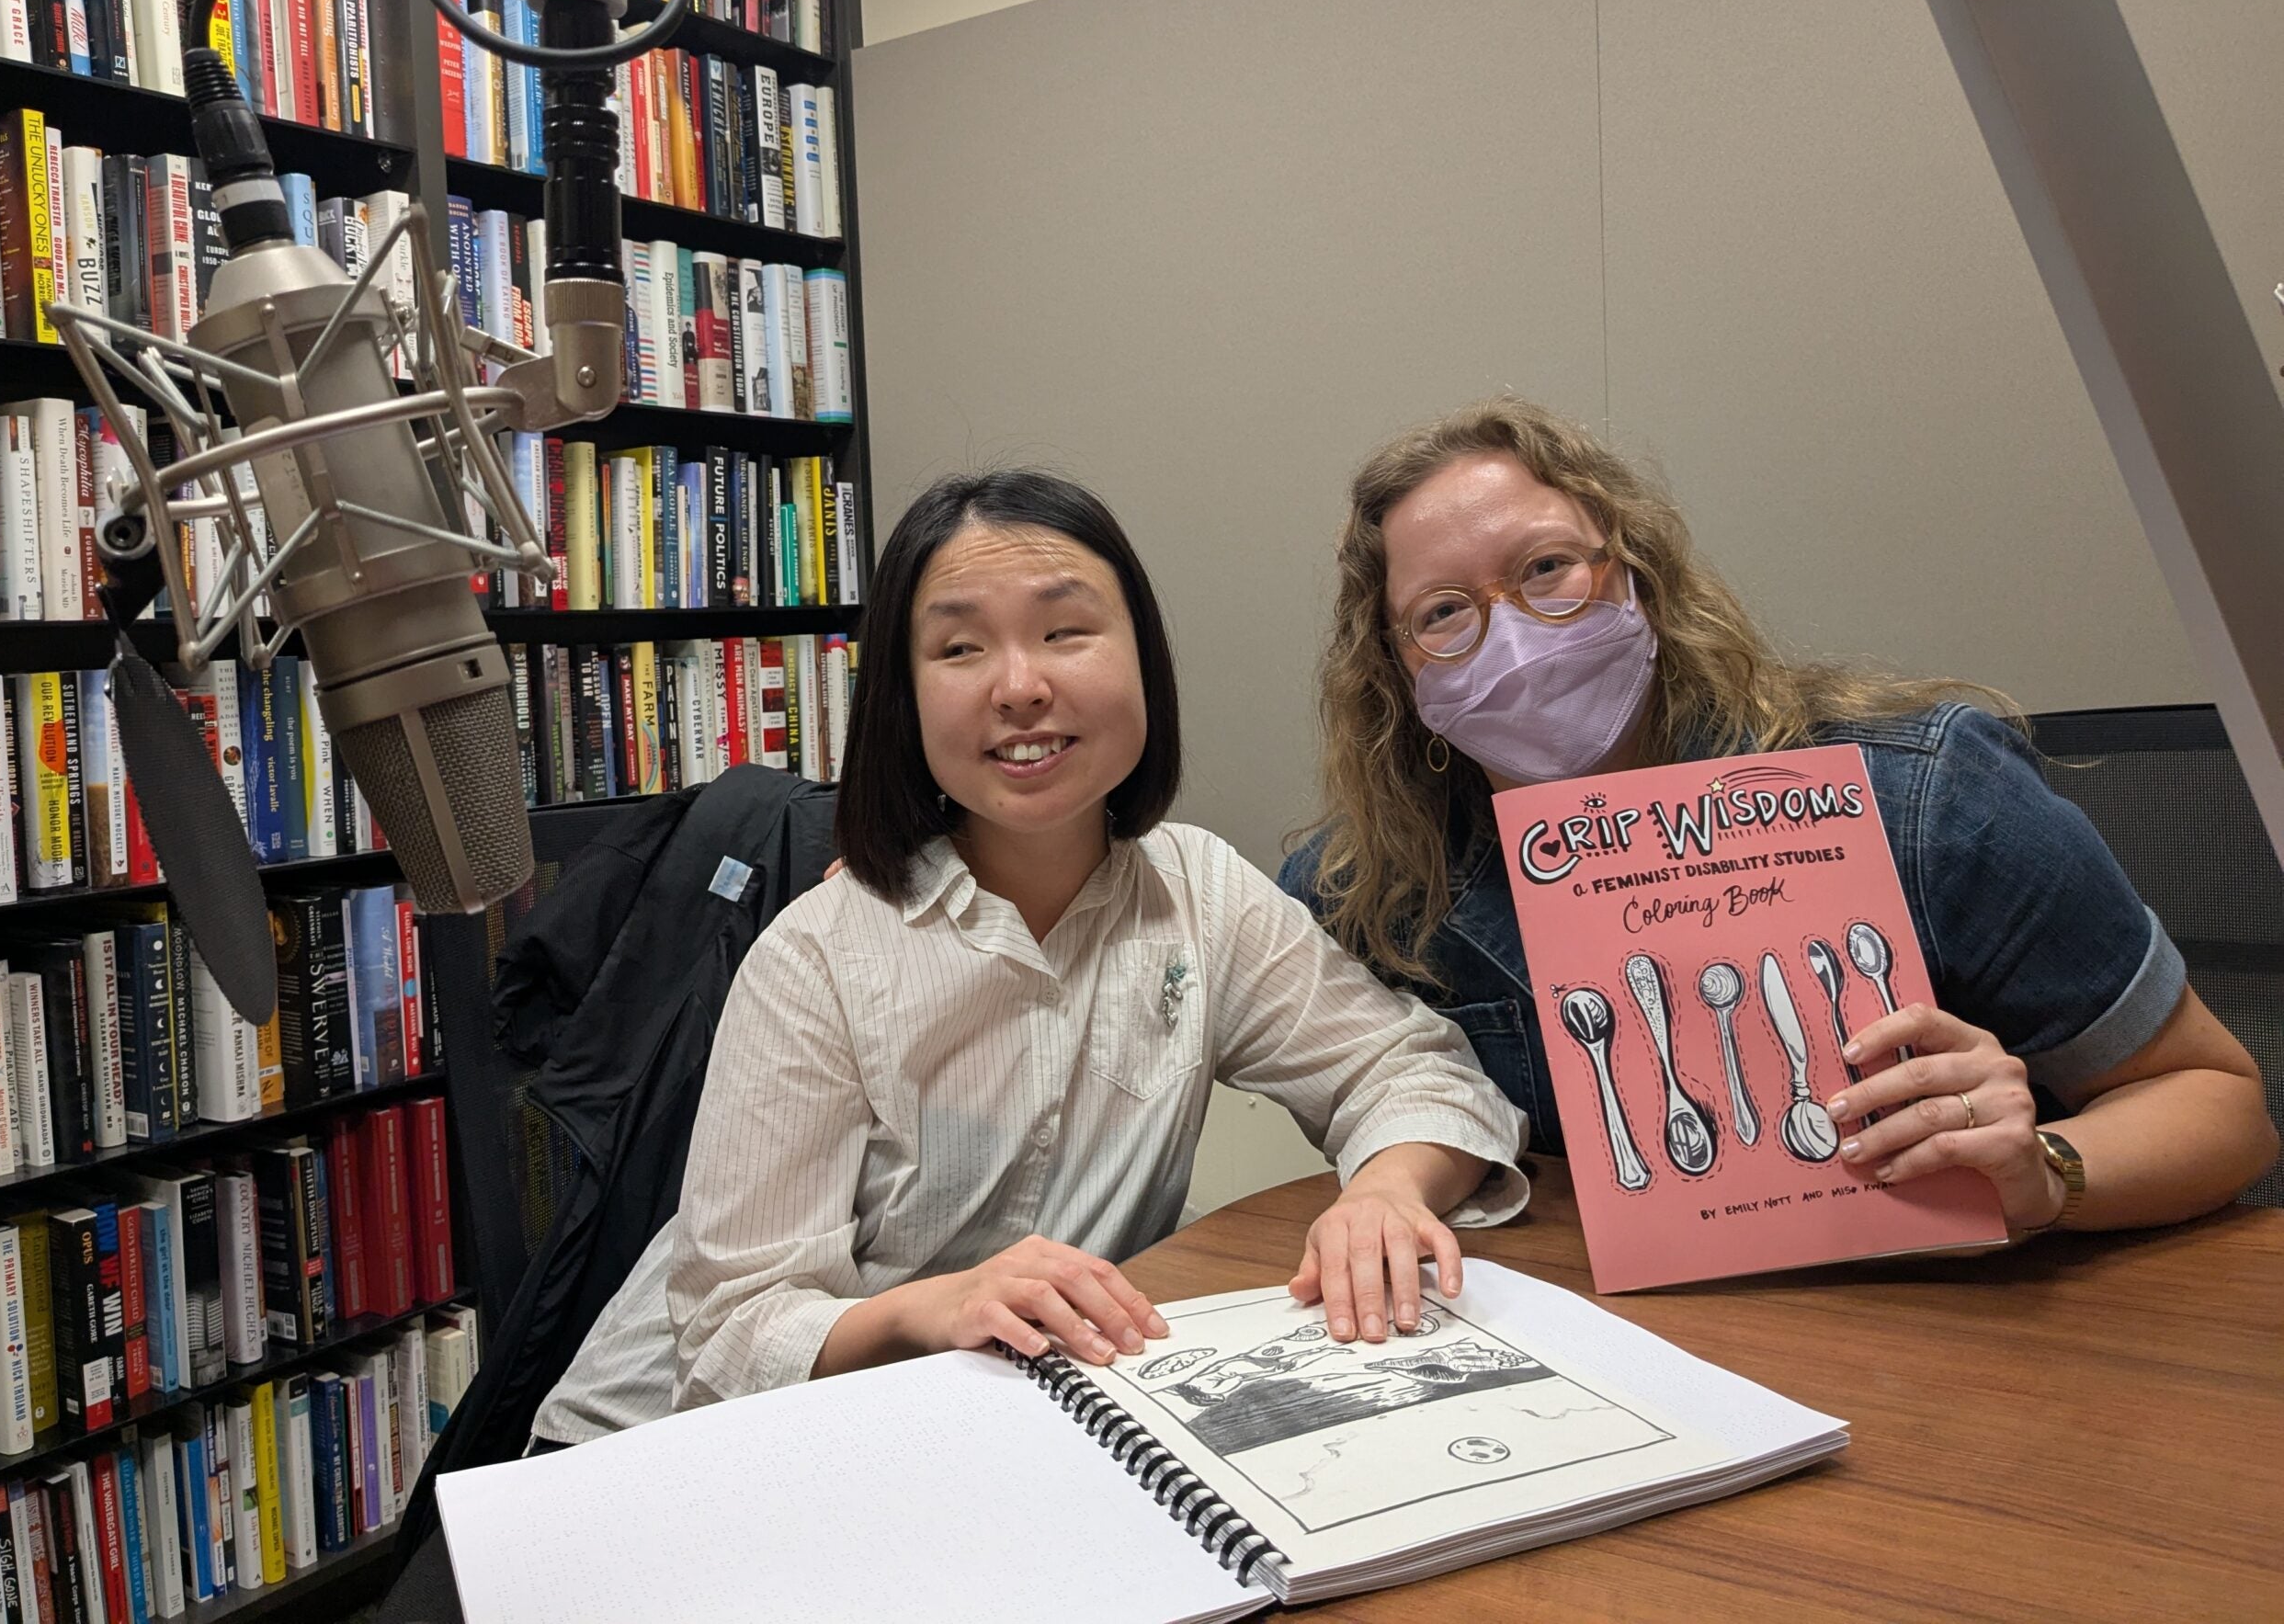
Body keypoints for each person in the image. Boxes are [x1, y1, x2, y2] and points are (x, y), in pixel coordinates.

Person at [528, 469, 1526, 1448]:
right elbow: (726, 1335)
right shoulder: (822, 955)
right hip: (657, 1459)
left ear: (1142, 658)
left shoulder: (1199, 895)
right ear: (901, 701)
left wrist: (1385, 1191)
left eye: (1064, 632)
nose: (1021, 687)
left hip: (978, 1432)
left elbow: (1406, 1068)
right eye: (959, 648)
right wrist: (936, 1307)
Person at [1278, 395, 2278, 1237]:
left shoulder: (1926, 800)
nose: (1513, 635)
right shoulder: (1363, 899)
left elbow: (2223, 1109)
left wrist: (2046, 1169)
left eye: (1546, 569)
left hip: (1967, 1337)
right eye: (1443, 613)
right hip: (1616, 1360)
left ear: (1638, 577)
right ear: (1396, 672)